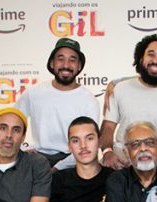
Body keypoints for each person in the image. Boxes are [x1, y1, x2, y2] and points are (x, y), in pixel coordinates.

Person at [100, 33, 157, 175]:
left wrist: (148, 158)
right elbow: (107, 127)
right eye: (151, 54)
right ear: (141, 58)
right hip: (122, 154)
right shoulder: (120, 88)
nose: (155, 60)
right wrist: (107, 151)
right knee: (97, 183)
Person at [16, 38, 100, 169]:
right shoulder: (34, 93)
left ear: (79, 66)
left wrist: (58, 168)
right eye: (60, 59)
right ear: (52, 63)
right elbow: (14, 121)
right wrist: (21, 150)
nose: (66, 65)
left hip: (73, 162)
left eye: (72, 60)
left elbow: (90, 144)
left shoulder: (89, 100)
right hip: (38, 160)